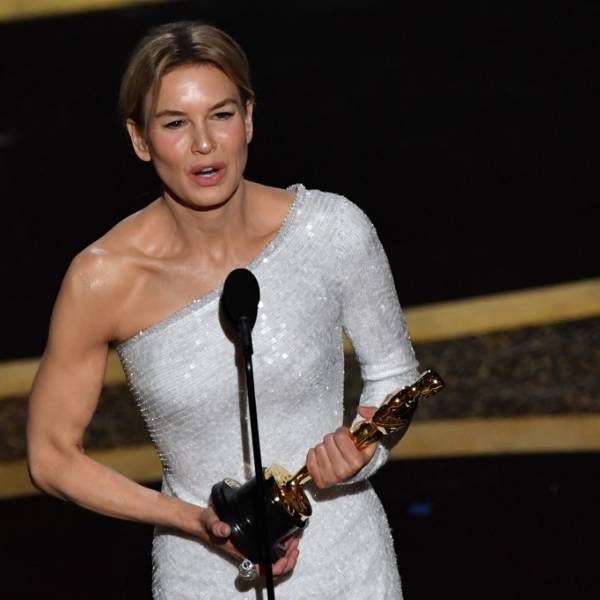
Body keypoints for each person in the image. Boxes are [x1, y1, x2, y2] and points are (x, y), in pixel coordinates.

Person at [26, 21, 419, 599]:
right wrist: (193, 521)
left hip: (349, 565)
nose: (204, 143)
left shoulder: (332, 230)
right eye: (175, 123)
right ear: (139, 139)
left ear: (249, 118)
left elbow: (395, 376)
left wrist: (365, 450)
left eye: (221, 114)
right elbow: (50, 456)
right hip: (202, 572)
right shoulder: (102, 279)